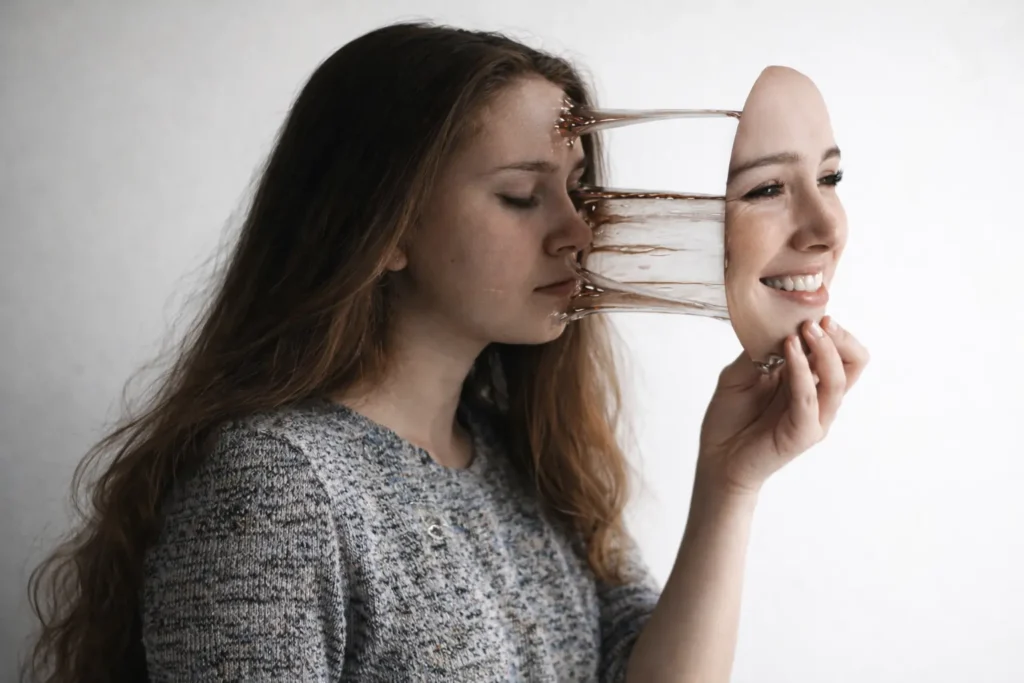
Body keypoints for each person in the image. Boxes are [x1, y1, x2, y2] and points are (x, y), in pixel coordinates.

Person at [24, 21, 869, 683]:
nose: (579, 232)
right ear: (385, 228)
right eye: (520, 196)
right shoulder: (278, 489)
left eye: (578, 191)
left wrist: (730, 483)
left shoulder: (528, 461)